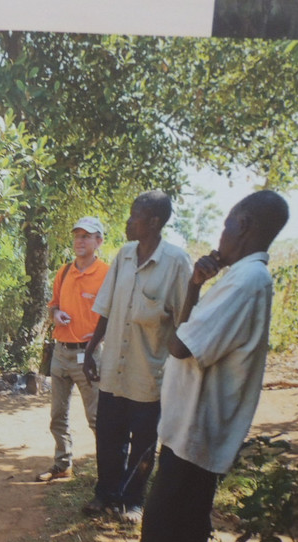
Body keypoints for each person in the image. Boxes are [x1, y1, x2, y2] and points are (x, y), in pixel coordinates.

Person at [135, 191, 289, 542]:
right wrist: (195, 285)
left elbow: (180, 346)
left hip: (196, 437)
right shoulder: (239, 277)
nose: (221, 235)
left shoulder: (247, 280)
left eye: (226, 224)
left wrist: (191, 298)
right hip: (188, 434)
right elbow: (188, 336)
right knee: (179, 540)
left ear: (243, 225)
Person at [82, 190, 192, 524]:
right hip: (114, 368)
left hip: (148, 373)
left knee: (143, 442)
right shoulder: (124, 255)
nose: (129, 222)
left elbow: (184, 321)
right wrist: (91, 349)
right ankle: (106, 494)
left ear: (154, 222)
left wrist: (180, 374)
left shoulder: (176, 262)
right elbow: (106, 307)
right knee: (108, 436)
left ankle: (133, 501)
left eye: (135, 216)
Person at [36, 217, 109, 482]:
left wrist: (98, 340)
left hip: (90, 356)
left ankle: (108, 473)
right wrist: (56, 314)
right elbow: (53, 305)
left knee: (97, 418)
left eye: (86, 236)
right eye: (77, 235)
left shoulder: (106, 274)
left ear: (99, 241)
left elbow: (114, 314)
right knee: (58, 416)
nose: (80, 240)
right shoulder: (64, 271)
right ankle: (62, 464)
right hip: (61, 353)